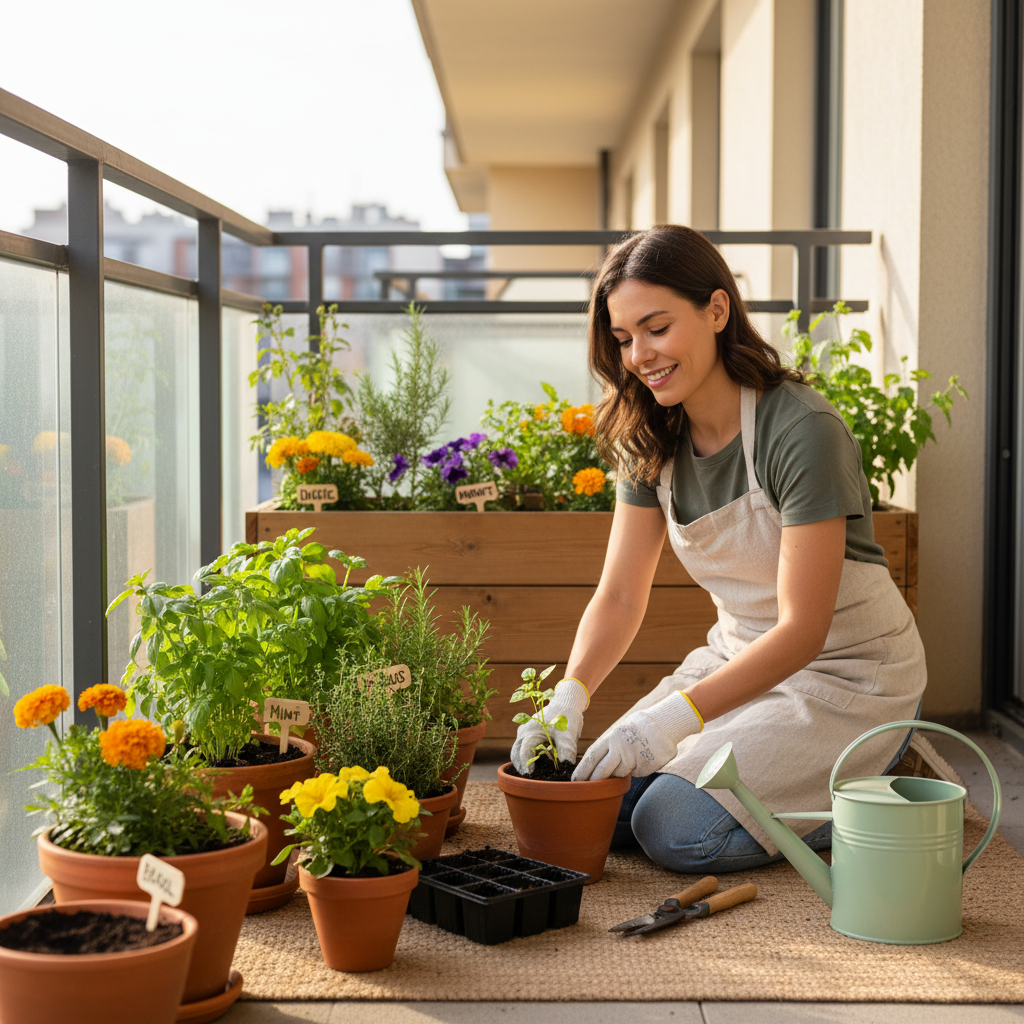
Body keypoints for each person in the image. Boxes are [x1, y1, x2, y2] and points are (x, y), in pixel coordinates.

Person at [511, 225, 925, 873]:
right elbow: (620, 595)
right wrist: (569, 696)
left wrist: (669, 722)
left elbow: (804, 630)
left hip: (846, 677)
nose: (640, 355)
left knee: (670, 827)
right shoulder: (650, 436)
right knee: (593, 797)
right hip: (736, 661)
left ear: (716, 310)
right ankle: (771, 771)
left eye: (656, 327)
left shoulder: (801, 431)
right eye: (623, 339)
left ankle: (870, 780)